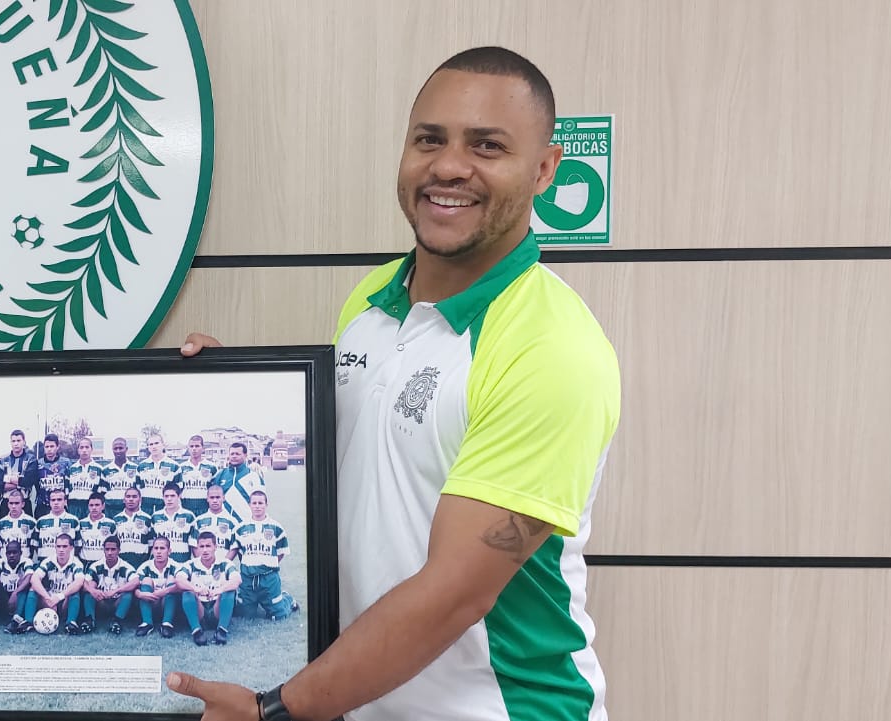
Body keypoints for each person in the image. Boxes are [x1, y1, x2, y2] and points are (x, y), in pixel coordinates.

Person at [167, 46, 622, 721]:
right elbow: (359, 467)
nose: (449, 166)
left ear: (545, 169)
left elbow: (454, 594)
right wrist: (240, 391)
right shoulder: (371, 301)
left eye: (487, 145)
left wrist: (275, 712)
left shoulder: (551, 349)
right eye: (429, 139)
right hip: (366, 703)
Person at [230, 490, 297, 621]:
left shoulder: (276, 527)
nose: (257, 506)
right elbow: (239, 552)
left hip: (269, 579)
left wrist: (268, 564)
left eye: (260, 503)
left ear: (266, 505)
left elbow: (281, 552)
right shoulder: (240, 528)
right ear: (249, 505)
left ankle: (287, 598)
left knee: (278, 616)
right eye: (254, 503)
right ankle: (250, 600)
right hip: (248, 579)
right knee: (246, 616)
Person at [176, 532, 241, 647]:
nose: (205, 550)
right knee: (187, 592)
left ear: (215, 547)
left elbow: (237, 580)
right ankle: (197, 631)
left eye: (208, 546)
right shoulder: (190, 564)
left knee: (229, 591)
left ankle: (221, 631)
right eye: (202, 546)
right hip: (200, 609)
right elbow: (179, 580)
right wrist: (195, 588)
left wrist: (219, 590)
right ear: (197, 547)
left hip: (217, 608)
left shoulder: (225, 563)